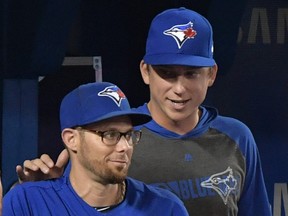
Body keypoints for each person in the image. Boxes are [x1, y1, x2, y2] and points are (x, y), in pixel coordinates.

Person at [16, 7, 272, 215]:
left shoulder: (237, 137)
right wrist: (46, 194)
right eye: (167, 74)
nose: (180, 88)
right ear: (145, 71)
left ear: (211, 74)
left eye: (191, 74)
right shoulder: (113, 135)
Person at [2, 82, 189, 215]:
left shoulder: (166, 207)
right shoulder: (28, 201)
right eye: (109, 135)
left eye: (129, 135)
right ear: (72, 139)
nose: (125, 146)